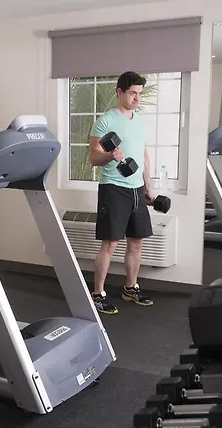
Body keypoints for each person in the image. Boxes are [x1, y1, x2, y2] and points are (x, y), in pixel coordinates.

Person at [88, 71, 155, 315]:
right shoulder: (105, 121)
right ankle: (98, 294)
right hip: (114, 188)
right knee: (110, 244)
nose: (137, 98)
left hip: (136, 189)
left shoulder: (139, 121)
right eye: (132, 93)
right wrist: (110, 156)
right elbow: (93, 157)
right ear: (119, 92)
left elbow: (143, 154)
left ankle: (130, 288)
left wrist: (148, 186)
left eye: (140, 94)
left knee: (136, 242)